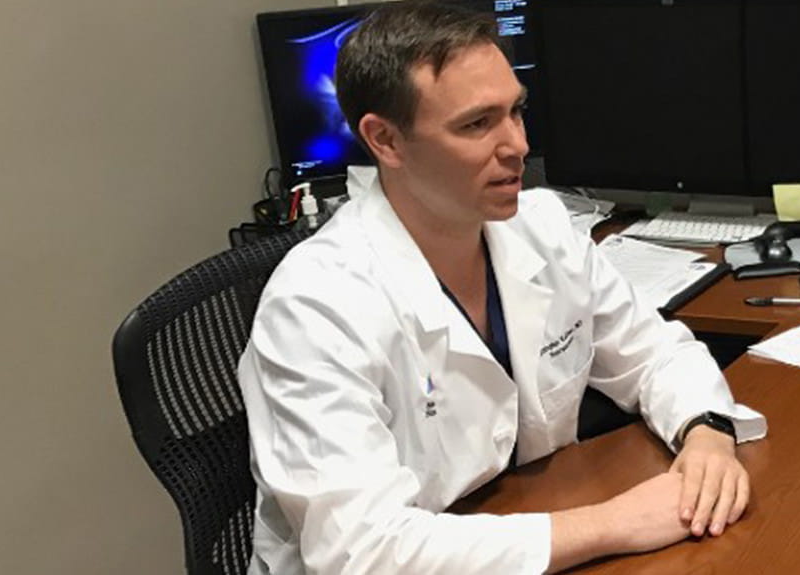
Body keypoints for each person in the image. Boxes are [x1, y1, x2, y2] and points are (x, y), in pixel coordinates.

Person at [236, 3, 766, 573]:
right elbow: (361, 552)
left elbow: (654, 352)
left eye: (516, 111)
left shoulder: (540, 226)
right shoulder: (315, 307)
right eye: (477, 124)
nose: (515, 145)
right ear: (385, 140)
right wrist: (613, 523)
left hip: (522, 517)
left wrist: (706, 430)